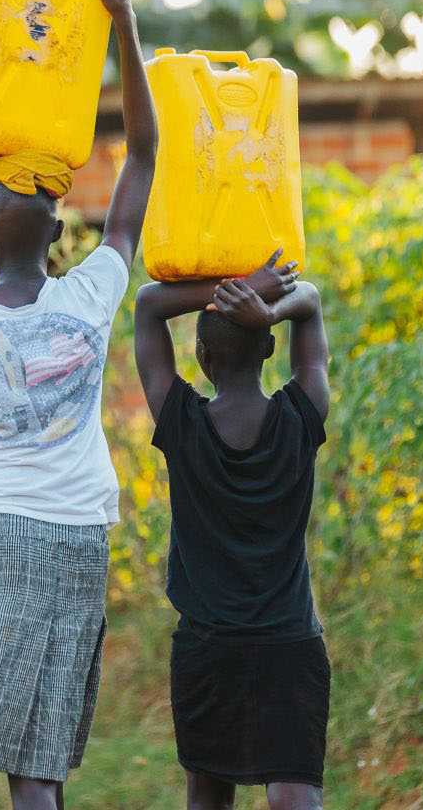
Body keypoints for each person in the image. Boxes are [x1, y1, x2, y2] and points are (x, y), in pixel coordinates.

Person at [0, 0, 289, 809]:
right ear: (60, 237)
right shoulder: (93, 291)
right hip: (80, 539)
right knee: (40, 760)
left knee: (17, 759)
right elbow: (142, 152)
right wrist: (123, 19)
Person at [132, 260, 330, 810]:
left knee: (207, 797)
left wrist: (223, 292)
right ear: (270, 349)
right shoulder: (302, 415)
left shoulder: (181, 424)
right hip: (290, 645)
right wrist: (268, 302)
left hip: (206, 649)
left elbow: (148, 305)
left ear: (201, 358)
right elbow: (310, 299)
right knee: (296, 793)